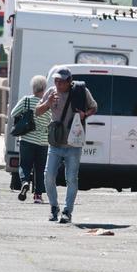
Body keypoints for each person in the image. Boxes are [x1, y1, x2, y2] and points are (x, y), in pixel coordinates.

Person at [36, 68, 96, 223]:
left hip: (73, 144)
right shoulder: (51, 92)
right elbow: (37, 111)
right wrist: (48, 103)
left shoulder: (81, 91)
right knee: (48, 176)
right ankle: (54, 207)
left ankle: (67, 211)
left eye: (61, 81)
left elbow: (94, 107)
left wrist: (85, 114)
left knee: (71, 179)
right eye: (56, 80)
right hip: (55, 143)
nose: (58, 84)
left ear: (70, 81)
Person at [11, 74, 52, 204]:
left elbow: (13, 113)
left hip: (27, 139)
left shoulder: (26, 100)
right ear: (44, 88)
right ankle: (38, 196)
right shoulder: (48, 104)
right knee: (40, 168)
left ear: (33, 87)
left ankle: (25, 182)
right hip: (43, 141)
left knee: (24, 165)